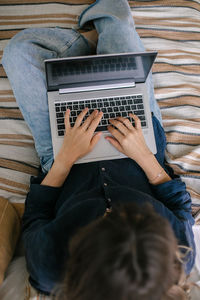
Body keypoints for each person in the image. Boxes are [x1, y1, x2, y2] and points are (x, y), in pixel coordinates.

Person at [2, 0, 196, 299]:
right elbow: (178, 204)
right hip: (138, 146)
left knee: (18, 51)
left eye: (105, 217)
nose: (111, 208)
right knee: (117, 17)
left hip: (64, 156)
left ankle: (79, 63)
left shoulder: (49, 269)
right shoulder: (178, 256)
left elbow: (37, 214)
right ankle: (92, 65)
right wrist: (143, 155)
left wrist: (65, 159)